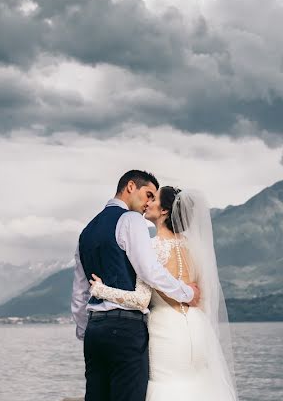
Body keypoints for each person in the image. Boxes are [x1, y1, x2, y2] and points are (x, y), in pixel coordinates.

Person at [89, 186, 238, 401]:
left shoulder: (151, 247)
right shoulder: (194, 248)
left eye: (153, 199)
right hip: (199, 329)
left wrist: (102, 290)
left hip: (166, 330)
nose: (147, 203)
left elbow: (141, 299)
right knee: (200, 387)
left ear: (164, 211)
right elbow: (203, 296)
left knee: (167, 389)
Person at [72, 170, 201, 401]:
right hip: (126, 330)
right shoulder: (131, 220)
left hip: (94, 333)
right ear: (131, 186)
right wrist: (186, 292)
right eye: (148, 194)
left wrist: (86, 330)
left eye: (154, 198)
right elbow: (150, 271)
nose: (148, 203)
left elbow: (79, 293)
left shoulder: (85, 233)